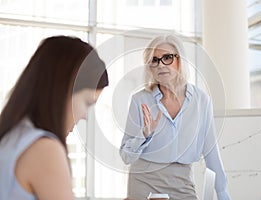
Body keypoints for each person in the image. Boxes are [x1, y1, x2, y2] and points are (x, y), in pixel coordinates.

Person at [120, 34, 231, 200]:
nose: (160, 65)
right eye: (154, 60)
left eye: (167, 58)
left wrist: (222, 193)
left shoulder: (201, 100)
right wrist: (144, 136)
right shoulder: (140, 100)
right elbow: (126, 155)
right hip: (143, 184)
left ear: (180, 60)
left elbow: (211, 152)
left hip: (182, 183)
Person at [0, 36, 109, 200]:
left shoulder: (12, 137)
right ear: (63, 91)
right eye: (87, 103)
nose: (85, 116)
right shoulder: (43, 149)